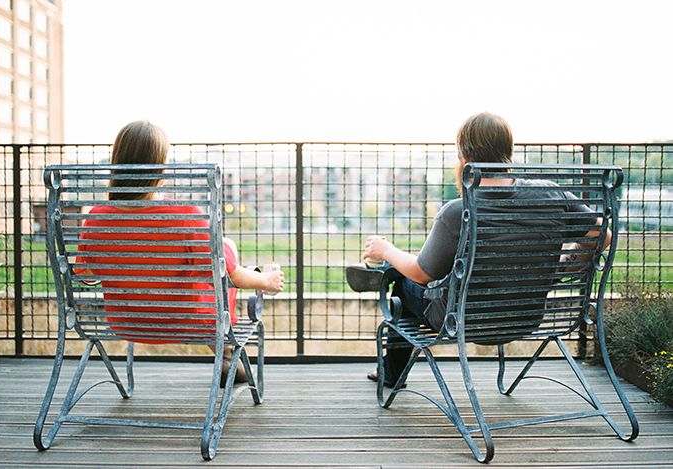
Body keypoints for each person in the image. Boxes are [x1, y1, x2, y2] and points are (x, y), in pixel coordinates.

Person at [346, 112, 611, 387]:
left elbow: (422, 274)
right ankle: (386, 272)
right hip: (526, 318)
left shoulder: (458, 212)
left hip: (463, 321)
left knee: (403, 282)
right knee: (422, 272)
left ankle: (386, 289)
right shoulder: (551, 194)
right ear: (508, 151)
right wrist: (563, 267)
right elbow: (603, 236)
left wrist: (386, 249)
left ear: (464, 156)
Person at [76, 120, 285, 386]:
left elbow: (87, 275)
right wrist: (265, 281)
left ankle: (226, 354)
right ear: (161, 165)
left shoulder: (96, 219)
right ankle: (226, 352)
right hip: (188, 321)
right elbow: (231, 275)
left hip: (125, 321)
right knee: (225, 252)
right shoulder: (184, 216)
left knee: (212, 258)